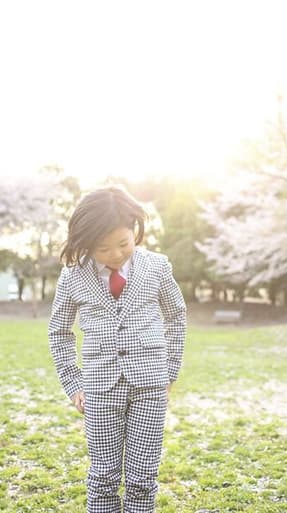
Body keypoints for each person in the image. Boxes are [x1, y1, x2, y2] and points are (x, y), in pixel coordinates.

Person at [48, 186, 187, 513]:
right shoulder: (72, 276)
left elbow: (176, 316)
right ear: (85, 243)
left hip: (150, 386)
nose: (115, 254)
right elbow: (59, 331)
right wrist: (73, 383)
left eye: (123, 244)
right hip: (98, 388)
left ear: (135, 230)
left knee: (142, 478)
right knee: (103, 478)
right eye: (103, 248)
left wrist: (169, 372)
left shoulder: (157, 266)